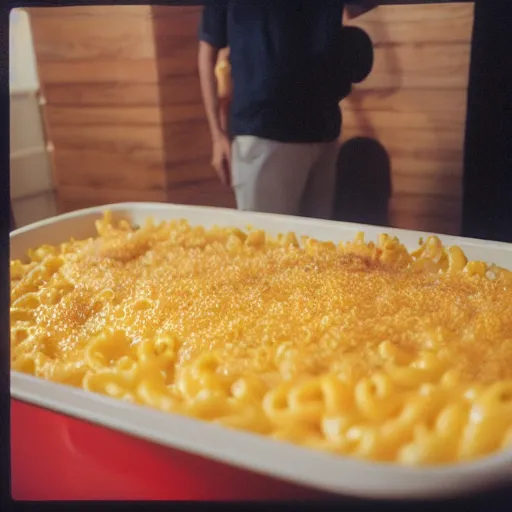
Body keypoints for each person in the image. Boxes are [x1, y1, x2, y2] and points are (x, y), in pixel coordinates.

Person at [198, 1, 374, 219]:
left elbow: (356, 9)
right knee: (269, 245)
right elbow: (207, 53)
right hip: (266, 130)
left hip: (321, 128)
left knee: (317, 247)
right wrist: (217, 135)